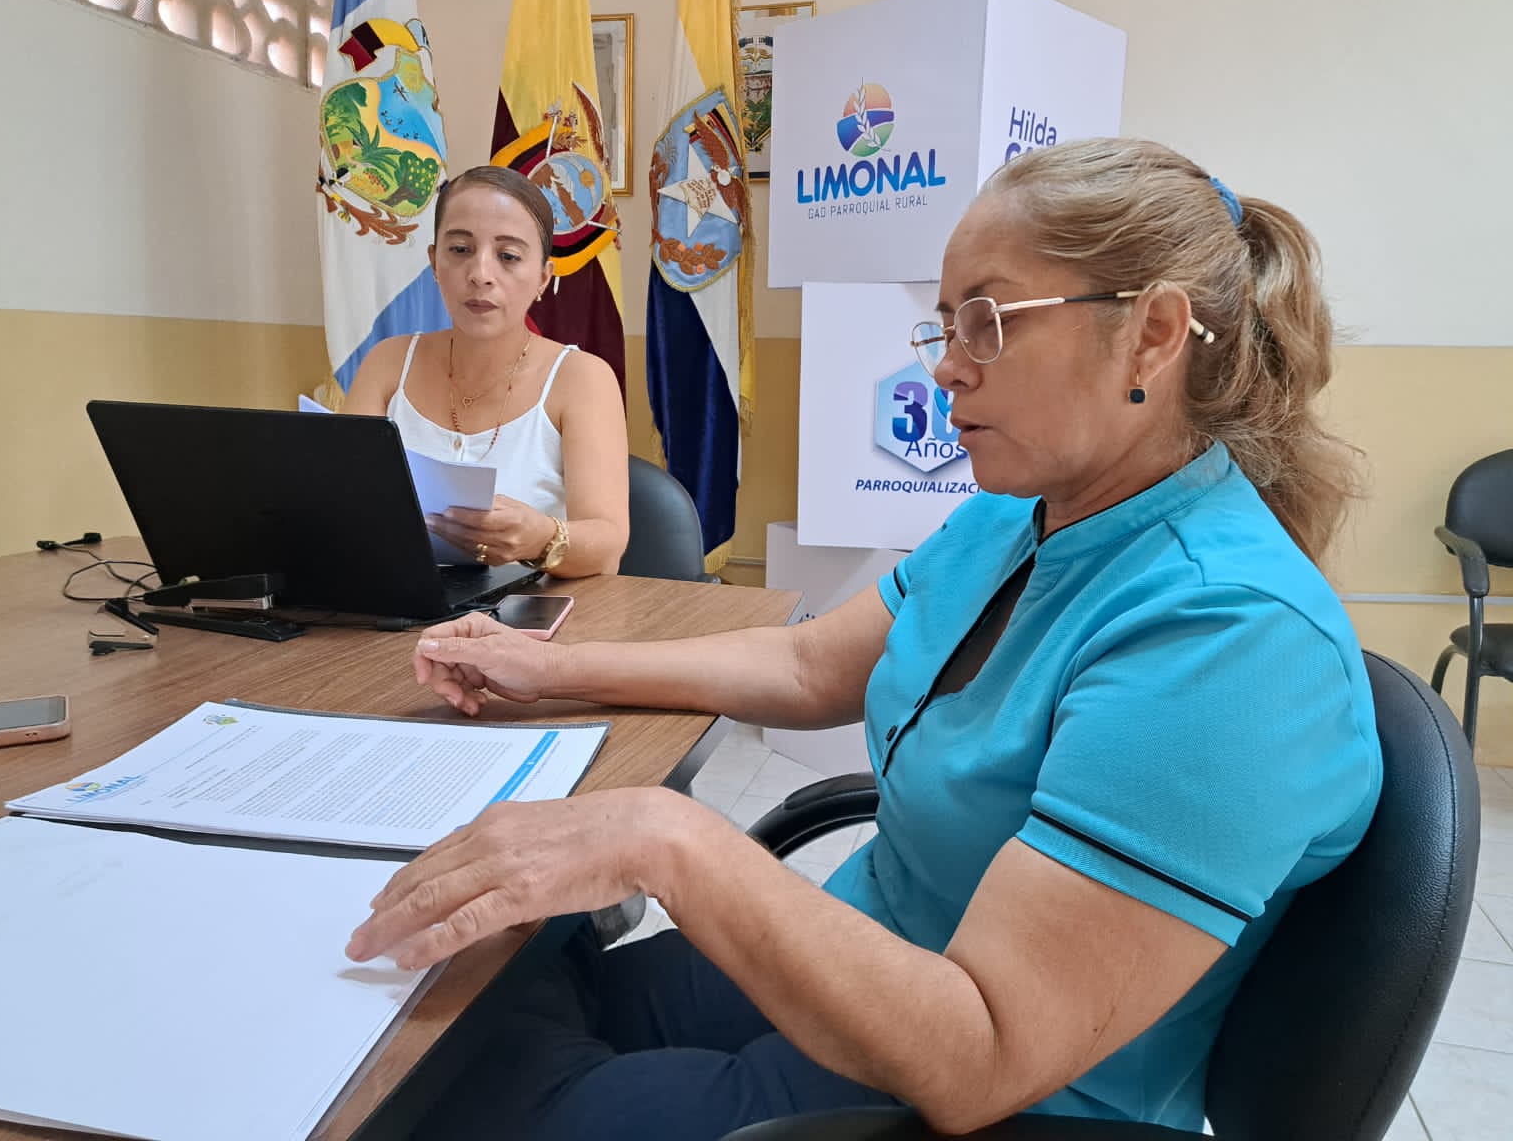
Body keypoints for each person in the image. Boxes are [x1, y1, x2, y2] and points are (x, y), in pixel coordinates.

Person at [345, 138, 1383, 1139]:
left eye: (987, 322)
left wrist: (666, 839)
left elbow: (985, 1055)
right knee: (487, 1000)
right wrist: (549, 669)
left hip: (965, 1087)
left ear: (1152, 334)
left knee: (459, 1094)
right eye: (946, 328)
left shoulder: (1232, 639)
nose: (948, 371)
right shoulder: (1019, 514)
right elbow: (808, 664)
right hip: (861, 962)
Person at [343, 165, 629, 577]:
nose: (480, 275)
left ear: (543, 278)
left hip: (533, 609)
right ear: (434, 262)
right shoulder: (387, 364)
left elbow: (607, 548)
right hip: (393, 602)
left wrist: (541, 538)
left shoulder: (582, 378)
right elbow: (345, 508)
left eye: (508, 256)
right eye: (460, 249)